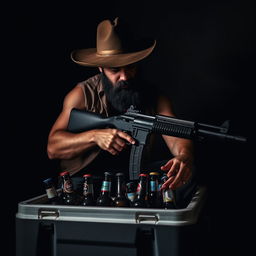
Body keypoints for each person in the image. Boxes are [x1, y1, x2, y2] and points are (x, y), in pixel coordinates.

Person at [47, 17, 195, 202]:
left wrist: (184, 157)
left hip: (134, 176)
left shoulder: (154, 96)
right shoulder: (82, 94)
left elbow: (176, 135)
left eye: (130, 67)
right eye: (114, 70)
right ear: (100, 67)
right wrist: (95, 136)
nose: (124, 76)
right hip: (87, 180)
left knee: (187, 174)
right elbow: (53, 147)